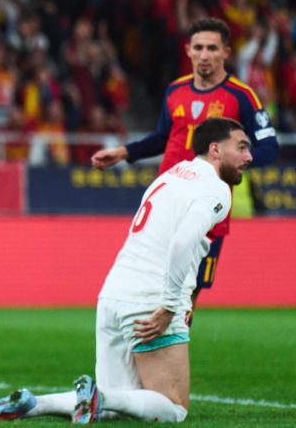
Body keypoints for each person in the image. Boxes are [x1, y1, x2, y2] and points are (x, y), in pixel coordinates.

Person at [0, 118, 252, 423]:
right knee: (173, 408)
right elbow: (181, 243)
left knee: (112, 409)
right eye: (241, 147)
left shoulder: (169, 176)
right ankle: (97, 395)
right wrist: (170, 305)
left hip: (113, 294)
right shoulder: (216, 188)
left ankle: (33, 403)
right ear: (215, 149)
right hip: (150, 300)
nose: (248, 157)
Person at [90, 17, 279, 316]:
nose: (205, 55)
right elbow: (163, 138)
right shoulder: (175, 90)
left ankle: (170, 356)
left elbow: (270, 147)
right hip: (168, 200)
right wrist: (125, 153)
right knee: (149, 284)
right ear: (188, 50)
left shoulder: (242, 97)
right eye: (199, 47)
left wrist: (235, 161)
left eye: (212, 48)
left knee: (187, 295)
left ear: (225, 53)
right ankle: (145, 353)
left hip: (208, 206)